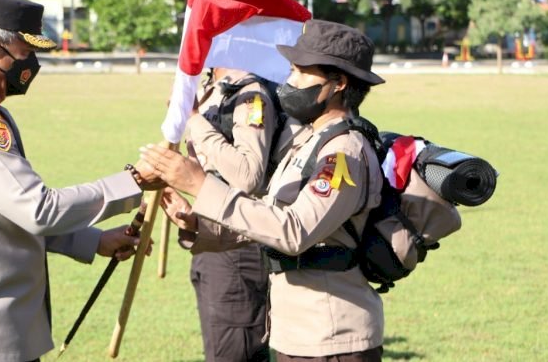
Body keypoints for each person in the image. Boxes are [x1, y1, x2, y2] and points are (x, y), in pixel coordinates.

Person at [0, 0, 160, 362]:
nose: (31, 63)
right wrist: (134, 181)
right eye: (25, 51)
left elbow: (3, 215)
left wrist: (91, 241)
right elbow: (37, 209)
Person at [143, 20, 387, 361]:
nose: (290, 82)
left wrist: (201, 185)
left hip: (332, 336)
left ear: (339, 83)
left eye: (303, 73)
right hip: (296, 333)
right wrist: (198, 225)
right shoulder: (304, 139)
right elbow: (269, 219)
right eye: (291, 70)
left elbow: (294, 231)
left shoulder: (343, 152)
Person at [172, 67, 276, 362]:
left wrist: (194, 118)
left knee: (234, 352)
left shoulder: (250, 94)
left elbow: (247, 175)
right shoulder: (212, 85)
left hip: (239, 245)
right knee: (219, 349)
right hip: (209, 233)